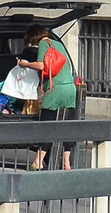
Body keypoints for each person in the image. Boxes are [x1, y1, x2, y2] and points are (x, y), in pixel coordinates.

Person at [17, 26, 77, 170]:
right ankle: (66, 163)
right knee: (67, 126)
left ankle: (38, 161)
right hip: (70, 88)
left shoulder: (44, 43)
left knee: (47, 125)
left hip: (56, 88)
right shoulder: (58, 43)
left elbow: (41, 65)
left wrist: (25, 64)